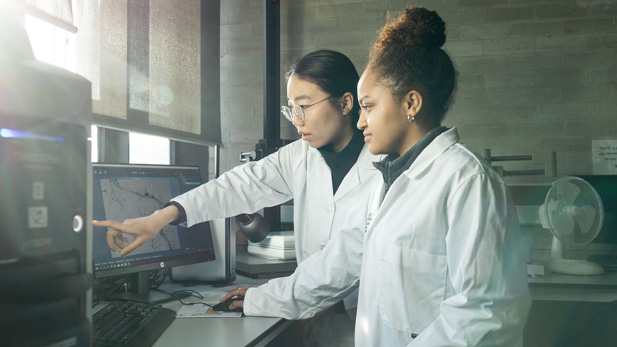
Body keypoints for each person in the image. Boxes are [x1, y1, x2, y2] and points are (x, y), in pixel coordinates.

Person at [223, 7, 531, 346]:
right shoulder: (389, 183)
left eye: (368, 106)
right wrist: (258, 299)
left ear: (410, 103)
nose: (359, 121)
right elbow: (339, 262)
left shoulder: (467, 182)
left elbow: (485, 315)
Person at [92, 49, 382, 346]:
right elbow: (238, 186)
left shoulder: (385, 169)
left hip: (366, 320)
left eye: (304, 107)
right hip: (313, 315)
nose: (296, 121)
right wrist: (162, 217)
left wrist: (267, 298)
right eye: (291, 108)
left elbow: (345, 265)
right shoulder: (301, 156)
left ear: (346, 103)